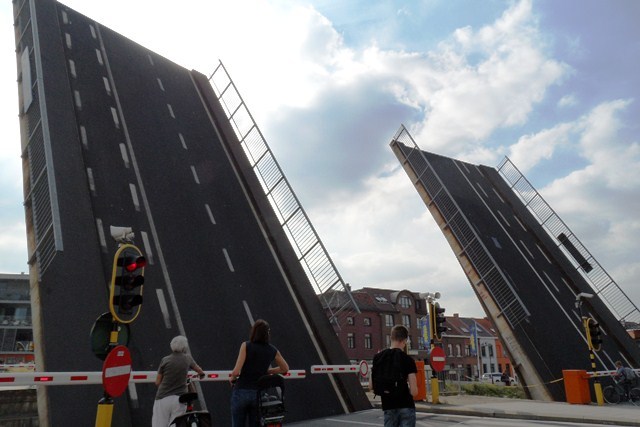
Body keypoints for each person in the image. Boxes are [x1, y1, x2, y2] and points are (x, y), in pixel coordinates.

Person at [230, 319, 289, 427]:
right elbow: (285, 368)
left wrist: (232, 379)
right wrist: (269, 371)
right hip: (258, 394)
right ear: (267, 334)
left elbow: (236, 371)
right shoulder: (272, 350)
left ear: (254, 331)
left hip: (241, 392)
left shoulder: (246, 345)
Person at [370, 325, 418, 427]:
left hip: (388, 407)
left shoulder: (378, 357)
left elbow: (371, 386)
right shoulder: (408, 360)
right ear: (405, 340)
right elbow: (414, 391)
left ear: (391, 338)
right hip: (406, 406)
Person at [152, 335, 205, 427]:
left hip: (163, 398)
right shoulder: (187, 358)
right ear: (184, 347)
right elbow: (200, 371)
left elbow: (157, 382)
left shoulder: (165, 360)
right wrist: (200, 375)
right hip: (180, 400)